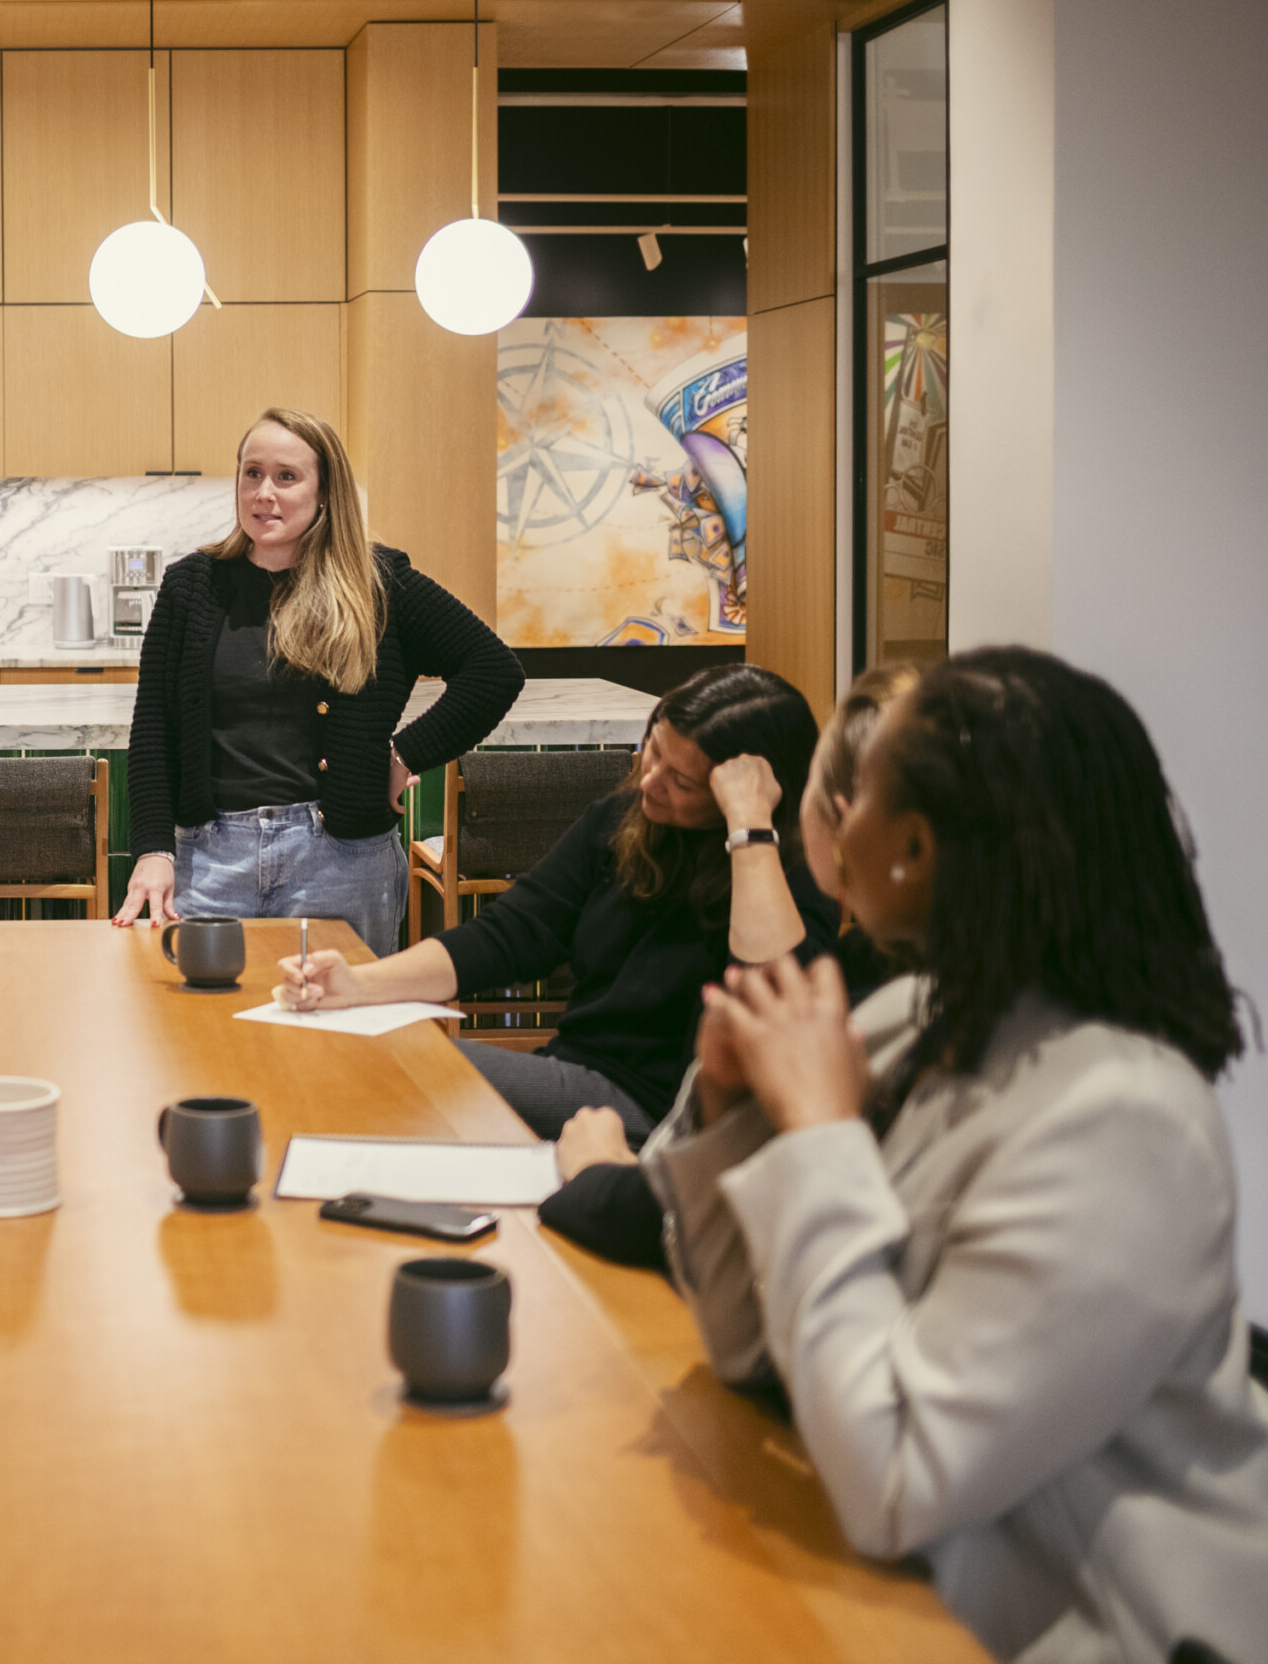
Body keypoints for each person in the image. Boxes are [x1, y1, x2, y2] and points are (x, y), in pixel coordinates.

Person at [643, 648, 1268, 1660]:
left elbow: (895, 1479)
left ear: (916, 849)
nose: (837, 820)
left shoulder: (1127, 1121)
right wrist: (729, 1112)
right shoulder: (913, 1021)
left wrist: (819, 1135)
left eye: (862, 795)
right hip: (899, 1593)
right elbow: (754, 1352)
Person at [276, 663, 834, 1141]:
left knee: (391, 1065)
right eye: (652, 751)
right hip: (573, 1074)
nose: (650, 781)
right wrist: (358, 985)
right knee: (354, 1051)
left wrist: (750, 830)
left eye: (682, 781)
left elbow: (777, 994)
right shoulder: (621, 824)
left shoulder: (780, 876)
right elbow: (510, 934)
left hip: (660, 1115)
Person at [539, 661, 920, 1269]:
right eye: (651, 750)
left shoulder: (868, 988)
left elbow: (693, 1215)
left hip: (632, 1139)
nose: (651, 780)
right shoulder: (896, 977)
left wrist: (598, 1171)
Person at [112, 408, 524, 956]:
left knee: (341, 1037)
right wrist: (153, 851)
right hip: (210, 861)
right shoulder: (192, 585)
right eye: (252, 473)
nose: (265, 493)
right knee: (208, 1035)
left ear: (324, 491)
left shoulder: (378, 583)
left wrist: (402, 756)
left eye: (287, 476)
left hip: (342, 862)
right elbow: (153, 731)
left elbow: (494, 671)